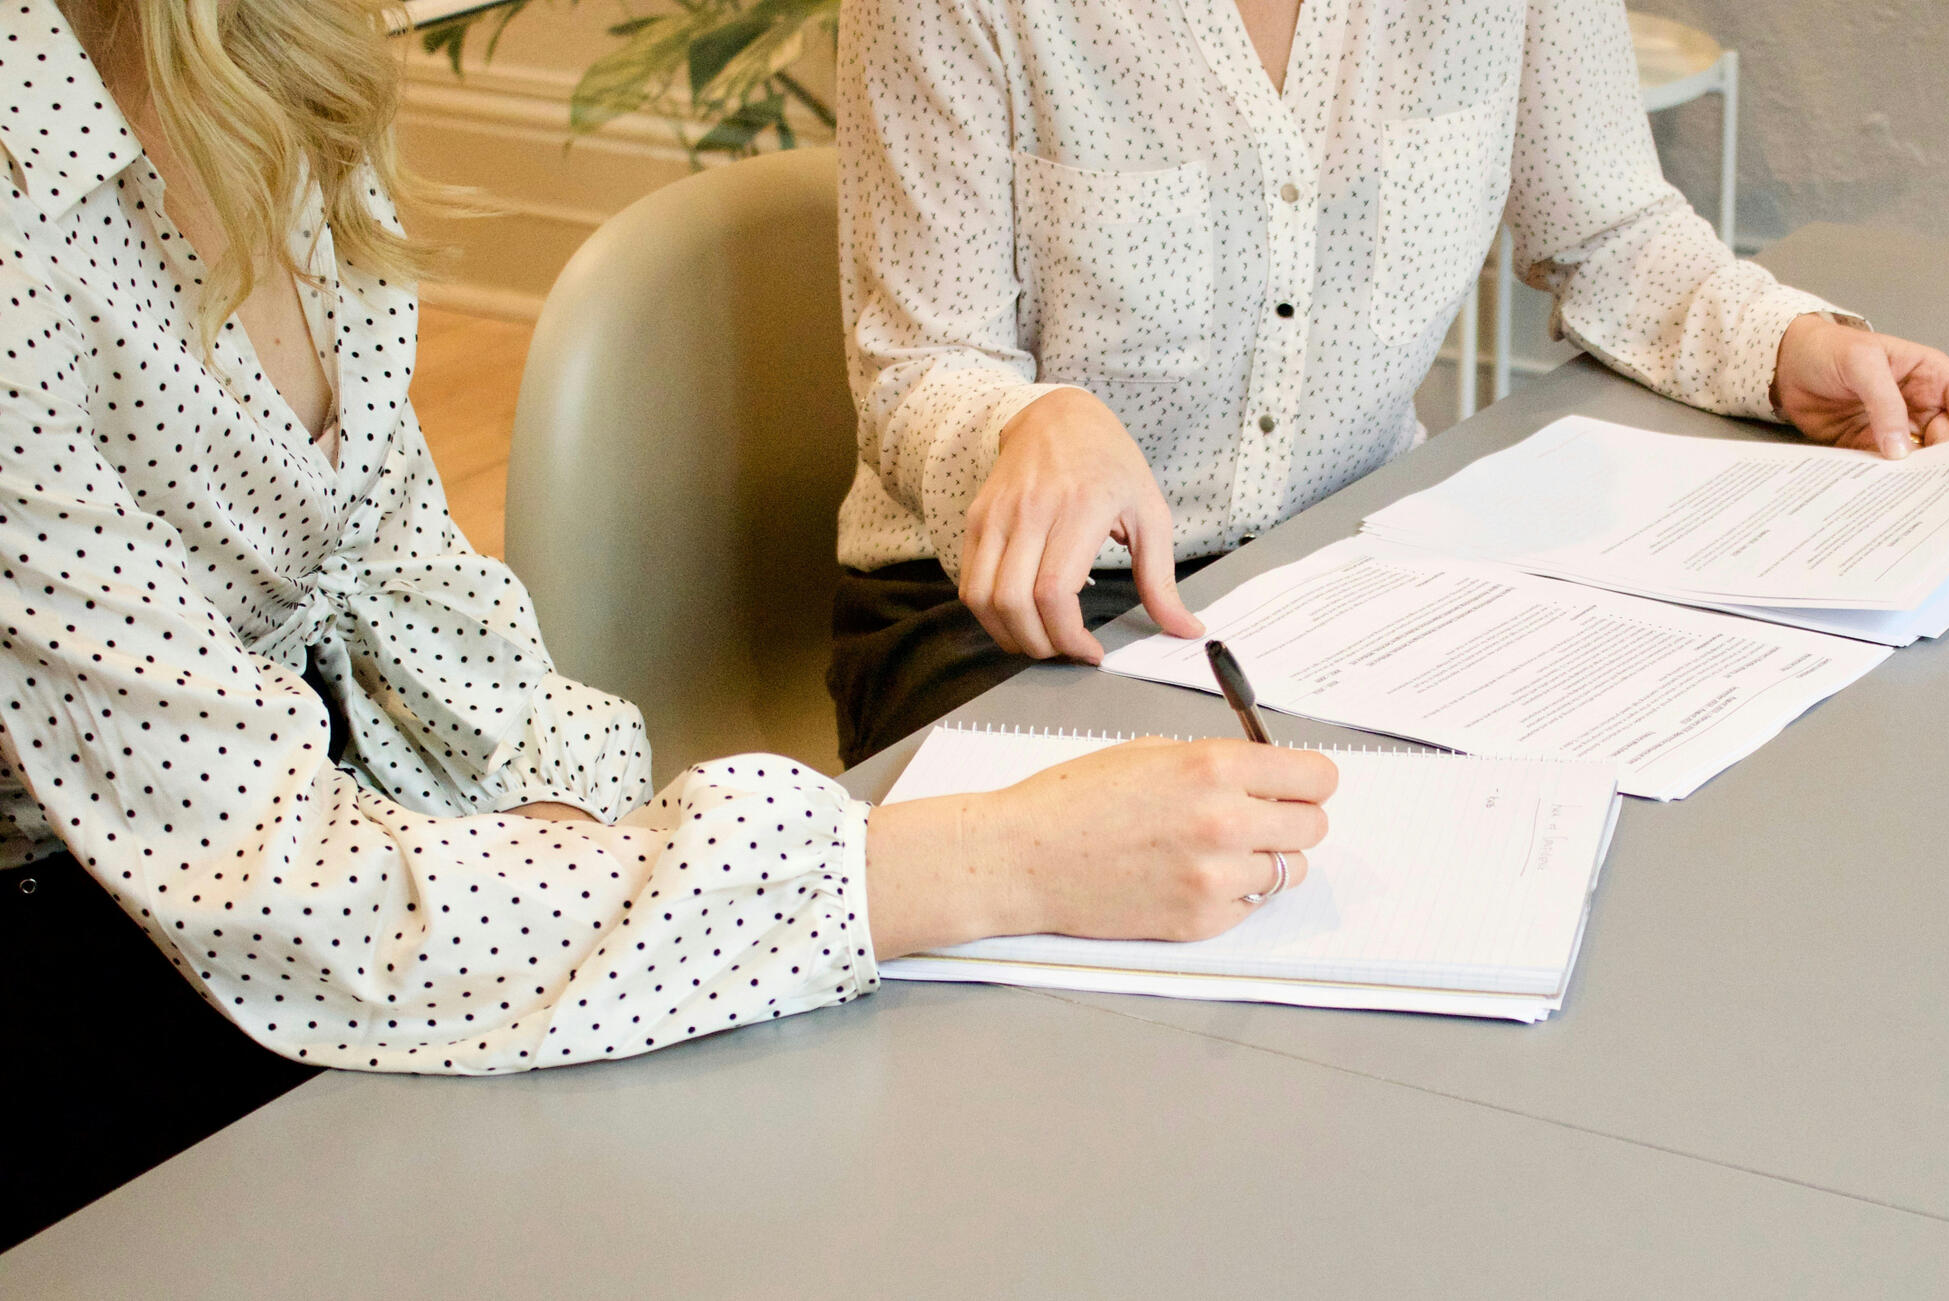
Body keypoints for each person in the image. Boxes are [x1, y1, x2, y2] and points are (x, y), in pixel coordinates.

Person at [0, 0, 1335, 1249]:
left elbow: (401, 577)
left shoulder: (275, 62)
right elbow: (278, 887)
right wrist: (993, 863)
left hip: (317, 838)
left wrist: (568, 823)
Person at [827, 0, 1949, 765]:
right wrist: (1030, 423)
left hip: (1343, 579)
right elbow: (917, 363)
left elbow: (1609, 228)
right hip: (1010, 615)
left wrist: (1790, 345)